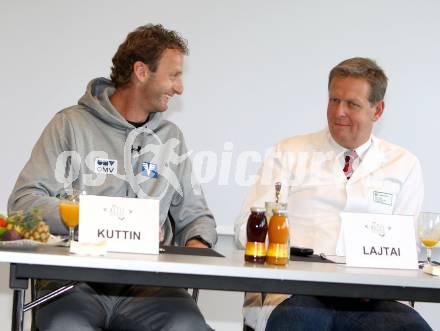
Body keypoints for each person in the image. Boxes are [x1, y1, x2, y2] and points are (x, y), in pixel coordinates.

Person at [8, 24, 217, 331]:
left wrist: (198, 241)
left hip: (148, 287)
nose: (180, 87)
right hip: (73, 284)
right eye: (173, 75)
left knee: (188, 325)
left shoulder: (170, 138)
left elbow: (196, 215)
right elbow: (23, 205)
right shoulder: (69, 125)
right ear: (141, 71)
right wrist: (96, 218)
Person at [234, 57, 431, 331]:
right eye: (334, 100)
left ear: (377, 110)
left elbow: (407, 248)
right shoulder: (289, 152)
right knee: (297, 323)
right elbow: (246, 227)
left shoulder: (403, 164)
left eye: (352, 104)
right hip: (297, 292)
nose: (339, 112)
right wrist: (288, 249)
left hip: (373, 299)